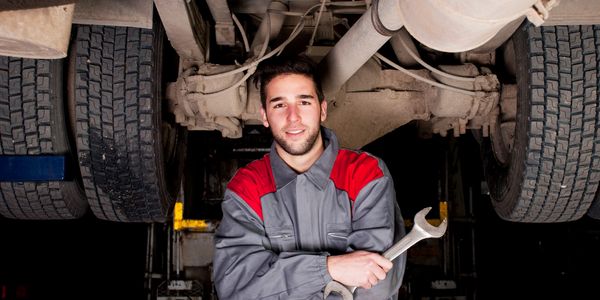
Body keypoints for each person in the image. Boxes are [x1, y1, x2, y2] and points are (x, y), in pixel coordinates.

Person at [212, 53, 406, 299]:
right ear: (264, 115)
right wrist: (329, 269)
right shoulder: (247, 187)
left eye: (304, 102)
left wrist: (280, 283)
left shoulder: (366, 173)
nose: (293, 117)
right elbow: (236, 287)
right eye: (279, 104)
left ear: (322, 109)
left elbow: (376, 286)